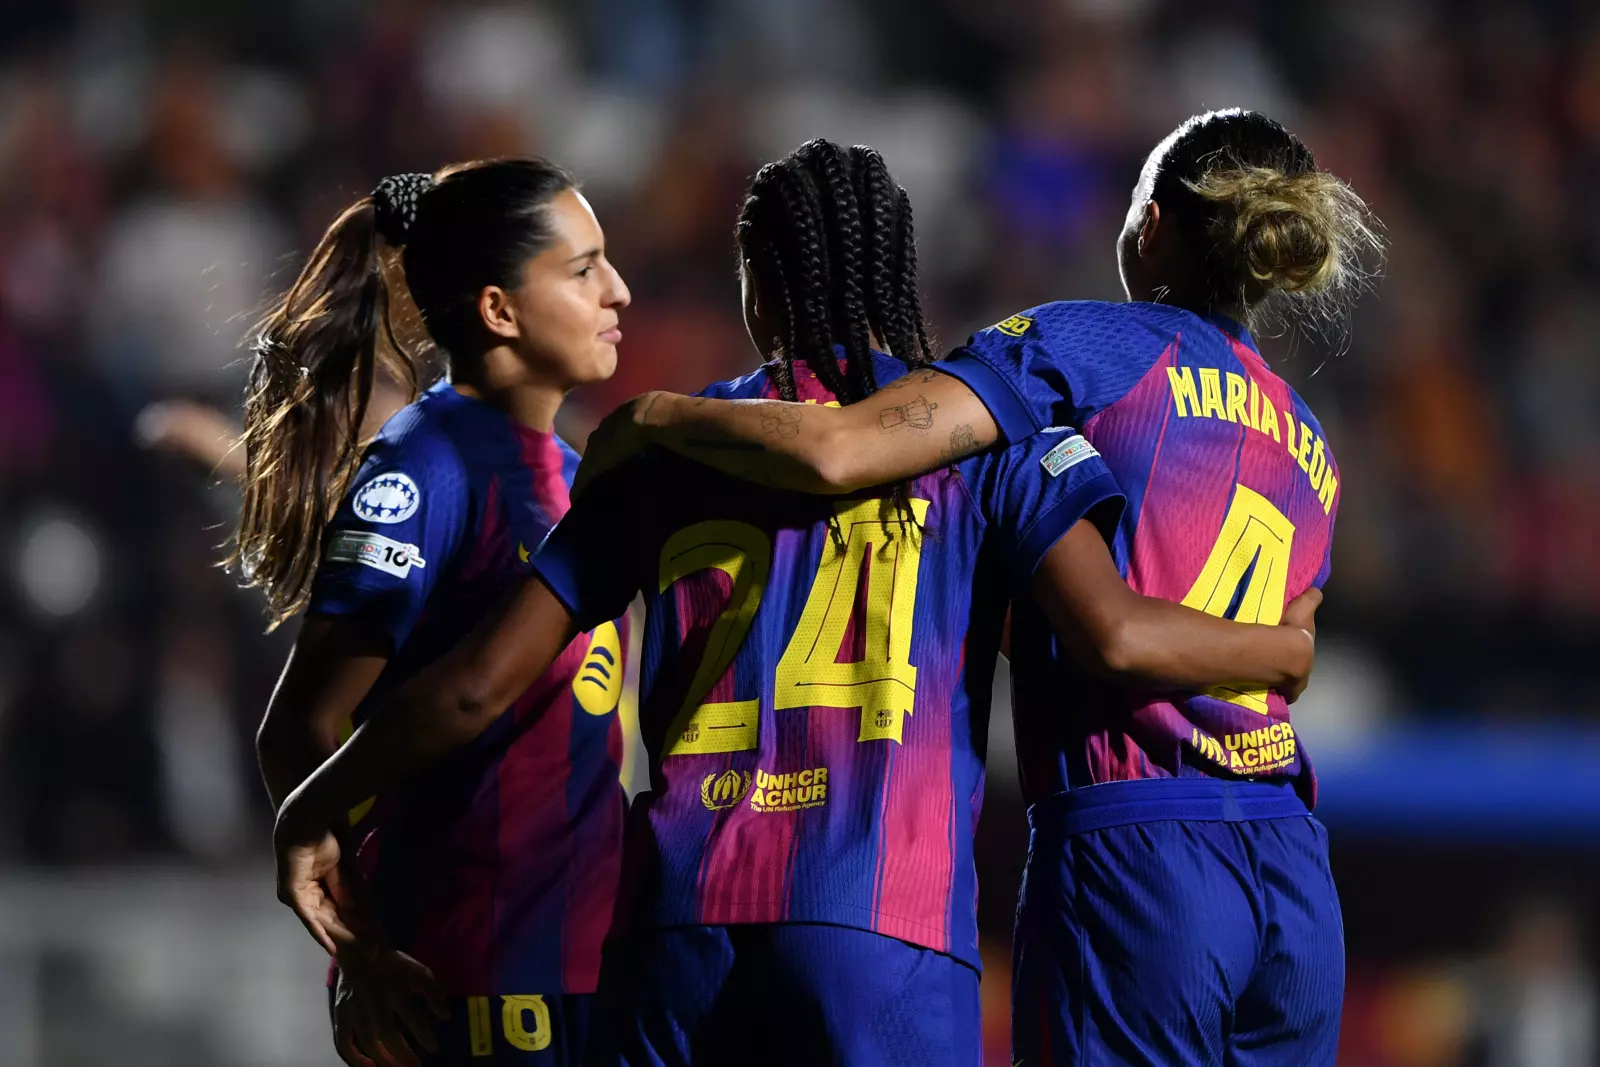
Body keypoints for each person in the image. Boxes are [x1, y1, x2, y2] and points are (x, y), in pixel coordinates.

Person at [273, 139, 1319, 1067]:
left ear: (759, 292)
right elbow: (1109, 628)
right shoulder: (993, 443)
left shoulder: (660, 451)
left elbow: (469, 691)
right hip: (884, 927)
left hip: (678, 927)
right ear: (897, 272)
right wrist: (1279, 645)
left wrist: (310, 807)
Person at [573, 109, 1380, 1066]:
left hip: (1140, 847)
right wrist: (1287, 654)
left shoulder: (1079, 348)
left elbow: (842, 449)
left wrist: (661, 413)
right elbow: (1288, 633)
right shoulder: (1310, 442)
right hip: (1291, 864)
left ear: (1153, 223)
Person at [239, 159, 633, 1067]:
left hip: (577, 959)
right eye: (584, 269)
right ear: (499, 310)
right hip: (472, 974)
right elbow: (298, 728)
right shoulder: (427, 466)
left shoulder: (567, 473)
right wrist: (364, 952)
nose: (617, 290)